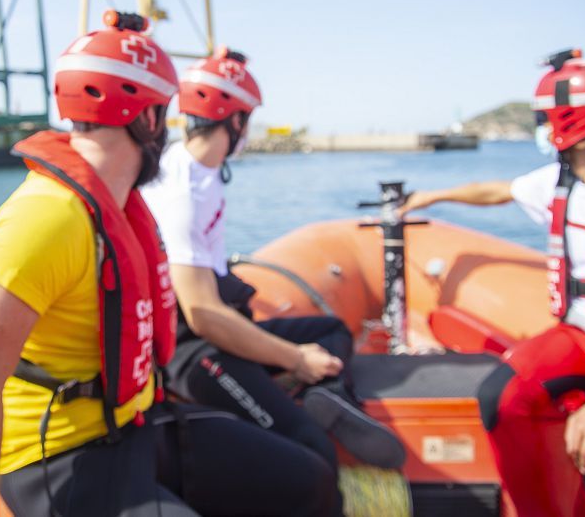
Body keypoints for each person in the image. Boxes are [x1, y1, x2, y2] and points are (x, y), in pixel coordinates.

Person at [0, 12, 339, 517]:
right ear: (149, 119)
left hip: (134, 423)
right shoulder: (45, 218)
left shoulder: (122, 205)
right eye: (166, 115)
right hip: (59, 454)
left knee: (308, 480)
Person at [399, 49, 585, 515]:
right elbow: (495, 191)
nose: (543, 128)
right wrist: (432, 195)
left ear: (573, 121)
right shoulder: (560, 181)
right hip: (582, 337)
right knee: (500, 399)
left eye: (546, 117)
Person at [141, 48, 405, 477]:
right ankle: (317, 401)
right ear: (234, 119)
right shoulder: (182, 194)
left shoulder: (196, 170)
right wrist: (294, 358)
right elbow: (203, 315)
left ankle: (331, 399)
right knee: (309, 445)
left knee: (332, 329)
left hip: (217, 329)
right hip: (191, 353)